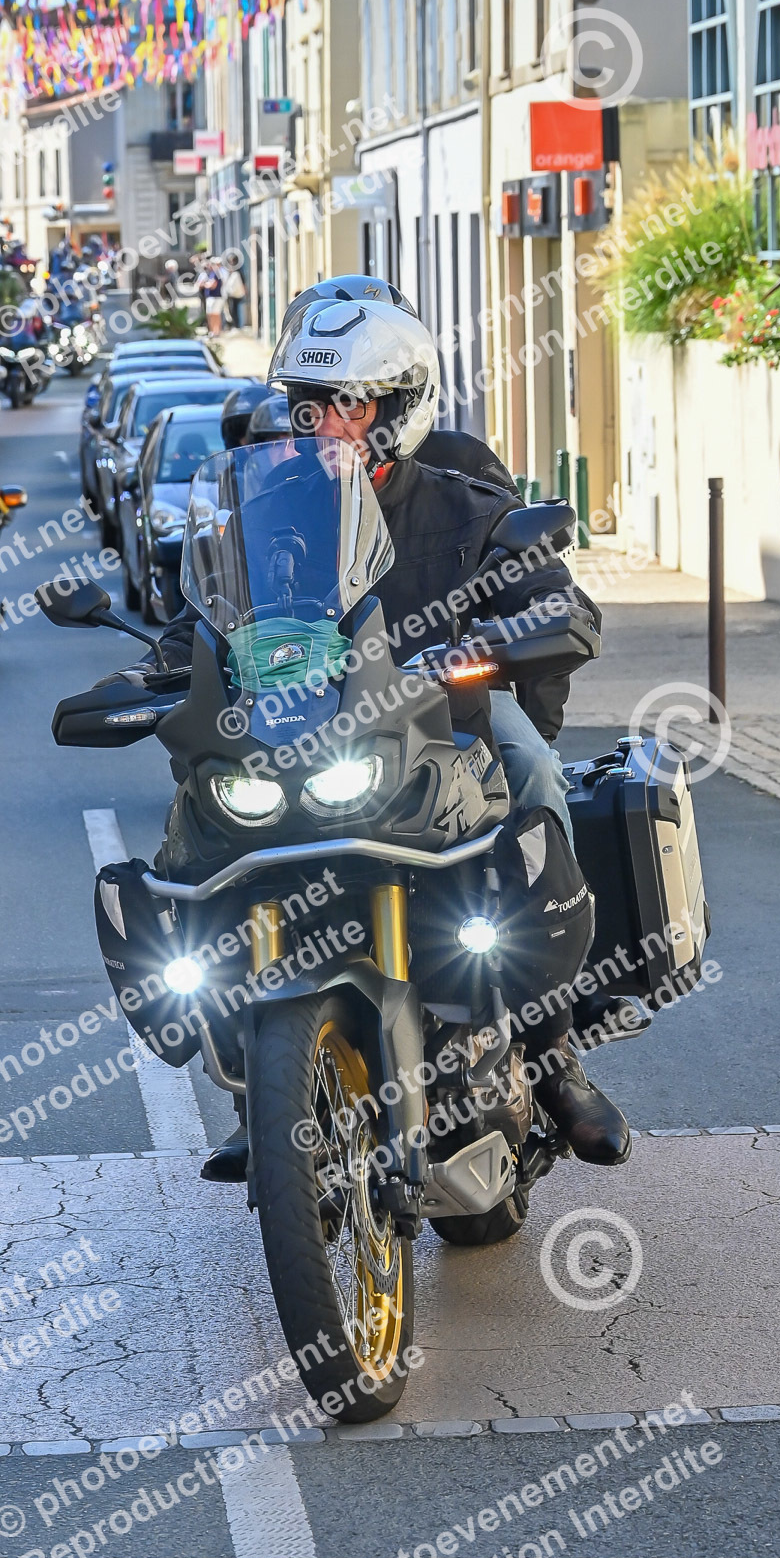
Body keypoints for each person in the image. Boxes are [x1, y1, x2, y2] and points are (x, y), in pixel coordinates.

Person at [158, 277, 627, 1183]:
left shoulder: (465, 505)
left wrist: (513, 633)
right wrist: (150, 674)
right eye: (309, 404)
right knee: (197, 808)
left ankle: (554, 1049)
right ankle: (260, 1085)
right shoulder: (266, 506)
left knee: (534, 770)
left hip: (449, 726)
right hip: (306, 734)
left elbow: (556, 599)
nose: (327, 423)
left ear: (399, 406)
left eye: (350, 403)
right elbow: (200, 621)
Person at [223, 259, 247, 329]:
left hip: (238, 295)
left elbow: (243, 284)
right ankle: (235, 325)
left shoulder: (238, 273)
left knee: (237, 311)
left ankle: (238, 325)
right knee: (232, 310)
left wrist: (244, 292)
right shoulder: (231, 273)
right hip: (232, 295)